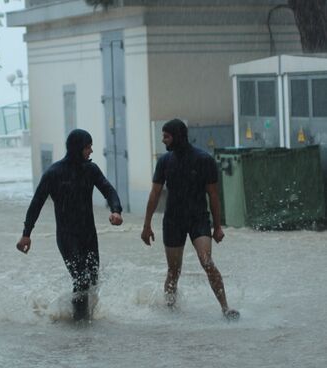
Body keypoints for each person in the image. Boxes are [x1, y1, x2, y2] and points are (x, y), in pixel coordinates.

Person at [16, 129, 123, 321]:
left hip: (88, 235)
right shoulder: (54, 173)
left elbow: (108, 190)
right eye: (88, 147)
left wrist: (116, 210)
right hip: (66, 236)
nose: (91, 151)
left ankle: (82, 319)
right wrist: (26, 234)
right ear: (78, 148)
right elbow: (36, 204)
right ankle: (79, 325)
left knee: (92, 280)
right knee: (81, 279)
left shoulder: (91, 170)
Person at [141, 118, 239, 321]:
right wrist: (146, 225)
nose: (163, 140)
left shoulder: (204, 160)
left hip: (198, 219)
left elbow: (213, 195)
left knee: (207, 261)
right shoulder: (164, 162)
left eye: (166, 136)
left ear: (177, 136)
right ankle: (170, 308)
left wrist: (218, 227)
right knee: (174, 270)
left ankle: (225, 308)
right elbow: (155, 194)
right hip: (173, 221)